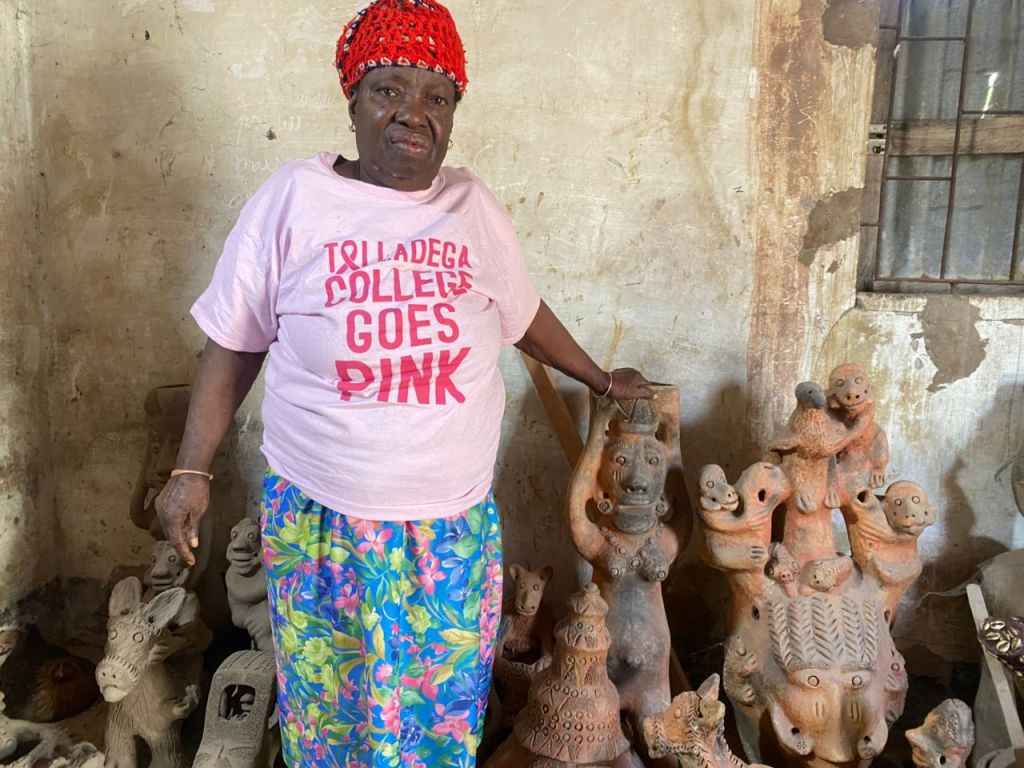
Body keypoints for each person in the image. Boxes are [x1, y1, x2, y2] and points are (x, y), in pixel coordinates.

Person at [155, 0, 651, 765]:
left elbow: (522, 314)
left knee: (438, 717)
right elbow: (232, 343)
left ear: (454, 114)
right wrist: (190, 471)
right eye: (388, 89)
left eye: (436, 97)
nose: (411, 115)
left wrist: (596, 375)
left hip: (446, 533)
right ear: (351, 99)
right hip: (321, 524)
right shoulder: (292, 200)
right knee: (330, 715)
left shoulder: (470, 206)